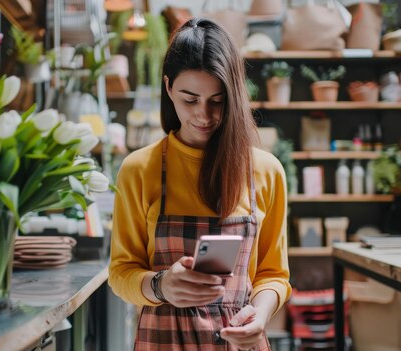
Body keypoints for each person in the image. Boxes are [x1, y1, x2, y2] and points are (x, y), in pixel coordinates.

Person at [109, 18, 291, 350]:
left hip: (239, 341)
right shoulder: (139, 170)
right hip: (162, 341)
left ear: (234, 95)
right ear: (168, 88)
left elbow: (274, 274)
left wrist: (260, 315)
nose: (204, 115)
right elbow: (121, 273)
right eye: (189, 99)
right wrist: (161, 286)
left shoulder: (265, 171)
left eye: (217, 101)